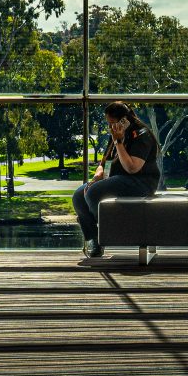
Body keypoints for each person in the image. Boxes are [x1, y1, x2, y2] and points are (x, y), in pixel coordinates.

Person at [72, 101, 160, 259]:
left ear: (124, 120)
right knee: (79, 196)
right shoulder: (115, 134)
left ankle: (105, 232)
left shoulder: (141, 135)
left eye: (112, 123)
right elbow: (103, 163)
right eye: (109, 123)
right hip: (118, 179)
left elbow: (132, 168)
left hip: (140, 182)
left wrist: (119, 141)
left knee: (93, 193)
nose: (110, 127)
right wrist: (97, 176)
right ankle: (94, 239)